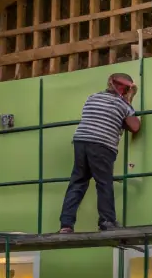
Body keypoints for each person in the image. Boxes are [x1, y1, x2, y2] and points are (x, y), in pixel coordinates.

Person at [59, 74, 140, 233]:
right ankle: (107, 221)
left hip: (81, 141)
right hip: (102, 145)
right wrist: (130, 99)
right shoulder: (122, 104)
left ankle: (66, 224)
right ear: (126, 90)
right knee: (104, 183)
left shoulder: (92, 97)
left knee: (78, 182)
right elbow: (135, 126)